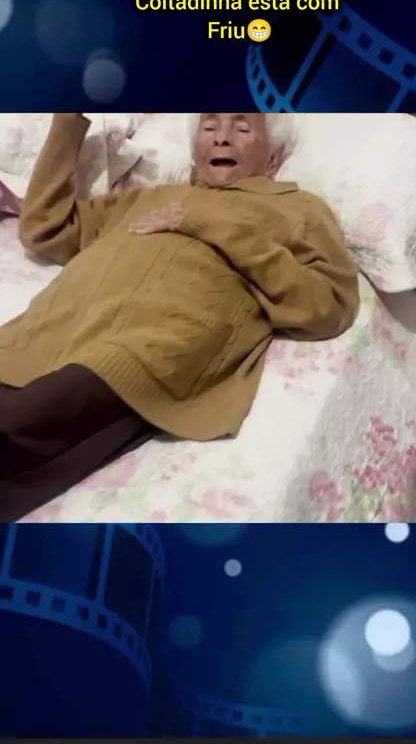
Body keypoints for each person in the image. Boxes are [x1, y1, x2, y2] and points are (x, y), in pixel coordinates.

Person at [0, 112, 360, 521]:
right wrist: (68, 124)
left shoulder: (300, 210)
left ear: (274, 159)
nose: (222, 138)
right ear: (194, 152)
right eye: (209, 127)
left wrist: (207, 225)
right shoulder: (150, 198)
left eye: (242, 128)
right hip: (51, 329)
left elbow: (328, 306)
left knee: (16, 424)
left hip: (147, 347)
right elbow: (46, 230)